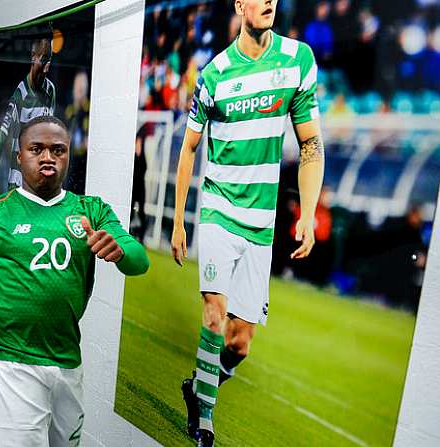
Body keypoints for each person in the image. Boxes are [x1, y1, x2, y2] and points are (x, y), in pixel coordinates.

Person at [0, 116, 149, 446]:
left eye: (57, 150)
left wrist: (120, 250)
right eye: (36, 149)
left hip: (66, 357)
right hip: (11, 359)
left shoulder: (91, 210)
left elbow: (139, 262)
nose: (47, 157)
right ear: (19, 157)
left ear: (67, 157)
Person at [170, 1, 325, 446]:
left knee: (239, 344)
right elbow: (188, 150)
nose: (269, 2)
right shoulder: (215, 74)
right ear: (240, 5)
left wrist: (309, 213)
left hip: (261, 223)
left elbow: (311, 145)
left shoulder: (297, 60)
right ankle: (204, 423)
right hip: (219, 210)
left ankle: (198, 387)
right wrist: (179, 221)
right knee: (215, 317)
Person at [0, 37, 56, 197]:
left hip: (42, 180)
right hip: (19, 180)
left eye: (49, 60)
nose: (46, 68)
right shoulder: (20, 95)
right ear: (33, 57)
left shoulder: (50, 90)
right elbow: (1, 138)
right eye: (44, 59)